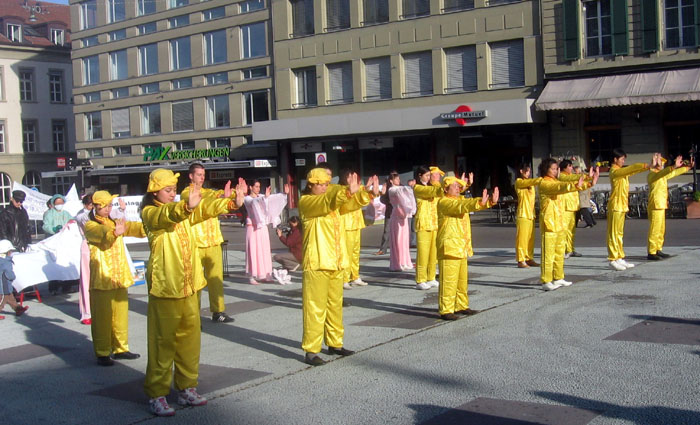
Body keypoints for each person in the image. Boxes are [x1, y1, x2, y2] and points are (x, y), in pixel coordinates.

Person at [140, 169, 245, 417]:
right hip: (166, 286)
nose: (172, 194)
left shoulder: (183, 211)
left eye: (173, 190)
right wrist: (186, 207)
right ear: (154, 192)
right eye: (168, 190)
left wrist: (231, 202)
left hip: (189, 284)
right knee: (163, 343)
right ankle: (157, 394)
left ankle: (186, 387)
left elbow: (205, 209)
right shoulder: (150, 213)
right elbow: (168, 215)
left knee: (190, 340)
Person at [299, 168, 378, 366]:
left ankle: (335, 343)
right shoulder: (306, 202)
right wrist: (346, 191)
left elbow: (350, 204)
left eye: (327, 184)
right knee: (315, 307)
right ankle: (311, 350)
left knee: (335, 305)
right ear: (311, 185)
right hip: (317, 262)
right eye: (321, 184)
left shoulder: (332, 203)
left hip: (335, 261)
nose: (325, 187)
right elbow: (327, 202)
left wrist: (367, 193)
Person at [84, 191, 146, 366]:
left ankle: (121, 348)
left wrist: (149, 225)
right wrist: (114, 232)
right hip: (103, 277)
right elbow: (102, 233)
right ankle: (102, 352)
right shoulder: (90, 225)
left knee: (121, 314)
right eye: (104, 206)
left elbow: (132, 227)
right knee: (102, 317)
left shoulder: (114, 221)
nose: (107, 209)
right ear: (95, 206)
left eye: (110, 205)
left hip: (118, 276)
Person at [181, 163, 235, 323]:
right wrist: (219, 197)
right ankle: (193, 315)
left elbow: (219, 195)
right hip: (196, 242)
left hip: (213, 241)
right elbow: (205, 201)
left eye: (203, 175)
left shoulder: (209, 192)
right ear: (191, 176)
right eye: (199, 175)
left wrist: (234, 193)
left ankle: (218, 311)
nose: (202, 178)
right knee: (195, 281)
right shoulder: (186, 193)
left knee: (216, 279)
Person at [437, 178, 497, 320]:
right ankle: (446, 309)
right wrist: (479, 202)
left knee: (461, 280)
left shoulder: (460, 200)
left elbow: (466, 203)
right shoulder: (444, 202)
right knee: (449, 280)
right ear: (445, 189)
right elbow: (462, 205)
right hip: (449, 246)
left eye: (459, 186)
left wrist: (489, 202)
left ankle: (461, 305)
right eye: (454, 186)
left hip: (460, 245)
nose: (458, 188)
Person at [538, 159, 598, 291]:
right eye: (552, 169)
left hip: (559, 221)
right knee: (548, 253)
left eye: (556, 169)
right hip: (549, 222)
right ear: (546, 169)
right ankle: (546, 280)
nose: (555, 171)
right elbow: (560, 188)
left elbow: (565, 186)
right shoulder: (544, 183)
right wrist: (575, 185)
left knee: (559, 251)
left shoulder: (556, 181)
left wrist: (589, 183)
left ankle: (558, 277)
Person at [75, 194, 127, 325]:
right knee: (87, 280)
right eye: (101, 205)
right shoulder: (83, 216)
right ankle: (87, 312)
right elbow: (86, 221)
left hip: (104, 248)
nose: (107, 209)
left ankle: (106, 308)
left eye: (108, 205)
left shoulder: (107, 216)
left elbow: (117, 218)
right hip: (89, 247)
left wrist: (121, 210)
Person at [607, 149, 652, 271]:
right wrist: (646, 165)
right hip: (615, 206)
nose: (623, 161)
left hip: (621, 205)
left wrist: (648, 167)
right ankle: (613, 258)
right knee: (613, 234)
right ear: (615, 159)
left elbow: (632, 171)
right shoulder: (615, 171)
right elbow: (631, 168)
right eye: (622, 159)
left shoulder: (621, 172)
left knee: (619, 233)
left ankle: (619, 257)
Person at [646, 154, 692, 260]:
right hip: (655, 205)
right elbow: (666, 172)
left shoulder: (662, 175)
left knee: (661, 229)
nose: (662, 165)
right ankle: (651, 252)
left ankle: (658, 248)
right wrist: (674, 166)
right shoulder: (652, 175)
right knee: (655, 229)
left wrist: (687, 168)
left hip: (661, 204)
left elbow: (673, 173)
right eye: (661, 163)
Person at [244, 180, 289, 285]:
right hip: (252, 227)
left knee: (264, 250)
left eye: (259, 186)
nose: (258, 189)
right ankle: (252, 276)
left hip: (262, 227)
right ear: (250, 187)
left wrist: (284, 194)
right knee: (253, 250)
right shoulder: (247, 198)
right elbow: (254, 202)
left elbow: (272, 199)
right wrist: (264, 197)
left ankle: (265, 274)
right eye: (256, 186)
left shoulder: (260, 196)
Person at [413, 166, 444, 290]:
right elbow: (433, 192)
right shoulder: (418, 187)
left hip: (433, 223)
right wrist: (439, 184)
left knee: (433, 254)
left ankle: (431, 277)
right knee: (423, 253)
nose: (429, 177)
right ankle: (420, 279)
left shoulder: (432, 187)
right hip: (423, 223)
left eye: (429, 175)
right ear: (420, 176)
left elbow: (441, 194)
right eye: (426, 175)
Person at [340, 169, 368, 289]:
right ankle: (345, 278)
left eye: (354, 178)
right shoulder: (342, 190)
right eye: (350, 177)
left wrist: (369, 187)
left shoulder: (358, 188)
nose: (352, 180)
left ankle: (355, 276)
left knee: (356, 252)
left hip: (356, 223)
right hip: (347, 224)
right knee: (347, 253)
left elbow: (365, 196)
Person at [43, 194, 75, 294]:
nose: (59, 205)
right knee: (54, 264)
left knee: (65, 263)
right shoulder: (49, 214)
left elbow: (72, 222)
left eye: (61, 203)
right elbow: (46, 225)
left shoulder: (66, 213)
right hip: (53, 241)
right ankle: (54, 288)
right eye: (57, 203)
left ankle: (67, 286)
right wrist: (53, 229)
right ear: (53, 203)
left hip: (65, 241)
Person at [387, 172, 416, 272]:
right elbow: (401, 191)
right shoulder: (392, 190)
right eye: (396, 179)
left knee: (404, 240)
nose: (398, 180)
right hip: (396, 216)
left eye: (399, 179)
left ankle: (404, 262)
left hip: (403, 216)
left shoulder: (400, 189)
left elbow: (406, 194)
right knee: (398, 240)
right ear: (391, 181)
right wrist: (409, 187)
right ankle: (397, 263)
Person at [514, 164, 541, 268]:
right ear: (521, 171)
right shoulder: (519, 182)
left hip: (530, 214)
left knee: (530, 238)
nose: (528, 173)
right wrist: (539, 179)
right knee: (522, 238)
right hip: (523, 213)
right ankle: (521, 260)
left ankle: (529, 258)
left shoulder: (531, 183)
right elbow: (528, 182)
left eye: (529, 171)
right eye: (526, 171)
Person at [559, 159, 583, 258]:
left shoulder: (571, 176)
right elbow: (573, 178)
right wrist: (582, 176)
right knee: (564, 230)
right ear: (564, 168)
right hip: (565, 207)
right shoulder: (562, 176)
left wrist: (590, 180)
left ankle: (570, 249)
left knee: (571, 230)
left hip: (572, 206)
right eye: (569, 166)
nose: (571, 168)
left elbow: (580, 184)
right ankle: (564, 250)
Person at [0, 240, 28, 320]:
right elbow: (9, 273)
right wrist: (13, 277)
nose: (11, 253)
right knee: (3, 299)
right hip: (3, 285)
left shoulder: (1, 259)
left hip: (4, 284)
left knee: (10, 298)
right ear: (7, 252)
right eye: (11, 251)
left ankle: (18, 308)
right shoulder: (6, 261)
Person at [273, 216, 302, 282]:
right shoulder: (299, 230)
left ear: (295, 223)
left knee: (276, 257)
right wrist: (289, 233)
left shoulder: (296, 231)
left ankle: (294, 266)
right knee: (286, 256)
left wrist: (280, 236)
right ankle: (293, 265)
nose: (290, 225)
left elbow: (288, 243)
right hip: (299, 254)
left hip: (297, 254)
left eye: (290, 224)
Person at [373, 177, 392, 256]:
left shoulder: (400, 187)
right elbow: (382, 199)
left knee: (400, 233)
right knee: (386, 231)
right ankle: (383, 249)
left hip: (399, 214)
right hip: (390, 213)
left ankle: (400, 251)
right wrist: (385, 196)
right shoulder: (387, 188)